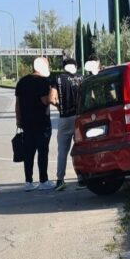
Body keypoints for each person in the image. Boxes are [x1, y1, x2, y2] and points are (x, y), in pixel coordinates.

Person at [15, 57, 57, 191]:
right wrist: (52, 90)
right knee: (42, 151)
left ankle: (28, 181)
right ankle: (43, 180)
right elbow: (45, 101)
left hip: (27, 122)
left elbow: (17, 104)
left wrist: (19, 120)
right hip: (41, 122)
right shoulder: (43, 82)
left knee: (29, 153)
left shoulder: (21, 82)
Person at [52, 58, 83, 191]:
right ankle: (82, 179)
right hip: (80, 118)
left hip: (65, 118)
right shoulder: (82, 78)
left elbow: (52, 98)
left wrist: (60, 107)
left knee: (62, 151)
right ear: (75, 66)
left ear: (64, 67)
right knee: (80, 148)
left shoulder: (58, 79)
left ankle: (60, 180)